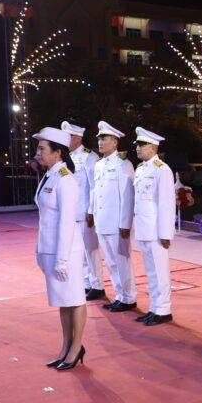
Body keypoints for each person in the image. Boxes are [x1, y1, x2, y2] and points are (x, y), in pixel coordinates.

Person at [32, 127, 88, 371]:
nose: (37, 153)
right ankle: (65, 346)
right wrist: (40, 250)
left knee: (75, 298)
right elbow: (45, 219)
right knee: (62, 300)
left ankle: (76, 347)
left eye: (42, 149)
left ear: (57, 152)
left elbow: (66, 222)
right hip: (51, 248)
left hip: (66, 251)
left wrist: (62, 259)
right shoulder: (50, 176)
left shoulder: (66, 179)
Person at [88, 121, 137, 312]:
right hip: (102, 221)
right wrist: (91, 212)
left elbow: (128, 196)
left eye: (105, 138)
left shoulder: (123, 164)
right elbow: (95, 191)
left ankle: (129, 297)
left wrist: (125, 223)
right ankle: (119, 295)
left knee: (122, 261)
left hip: (117, 223)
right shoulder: (99, 165)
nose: (100, 142)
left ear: (115, 142)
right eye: (99, 139)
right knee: (110, 261)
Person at [132, 127, 176, 326]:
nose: (138, 148)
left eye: (142, 145)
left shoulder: (162, 169)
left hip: (156, 230)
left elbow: (166, 203)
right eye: (137, 145)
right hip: (143, 228)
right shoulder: (141, 169)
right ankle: (154, 307)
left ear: (153, 147)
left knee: (160, 272)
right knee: (151, 272)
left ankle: (164, 309)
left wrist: (166, 233)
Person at [61, 121, 105, 301]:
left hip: (85, 211)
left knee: (90, 250)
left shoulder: (89, 157)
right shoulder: (67, 157)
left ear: (78, 138)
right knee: (79, 251)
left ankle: (98, 285)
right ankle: (86, 282)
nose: (65, 140)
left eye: (68, 137)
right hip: (72, 212)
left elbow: (95, 186)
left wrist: (91, 210)